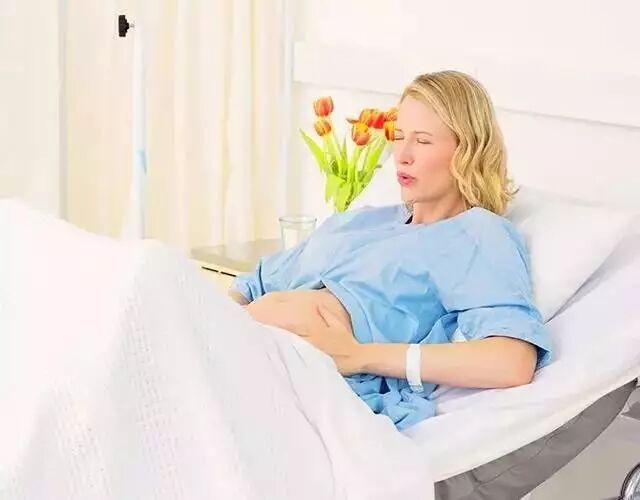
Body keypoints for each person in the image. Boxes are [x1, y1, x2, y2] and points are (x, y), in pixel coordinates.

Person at [228, 70, 552, 430]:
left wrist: (362, 356)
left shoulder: (476, 233)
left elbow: (512, 360)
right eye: (398, 137)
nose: (403, 155)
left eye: (423, 141)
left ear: (468, 149)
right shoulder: (362, 220)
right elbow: (252, 283)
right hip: (239, 344)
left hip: (291, 377)